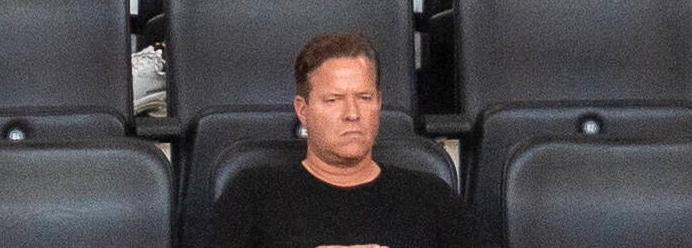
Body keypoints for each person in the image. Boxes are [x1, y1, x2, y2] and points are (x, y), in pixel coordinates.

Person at [206, 32, 488, 247]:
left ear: (378, 103)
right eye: (333, 100)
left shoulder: (429, 194)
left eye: (364, 98)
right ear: (303, 110)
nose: (352, 113)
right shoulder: (252, 192)